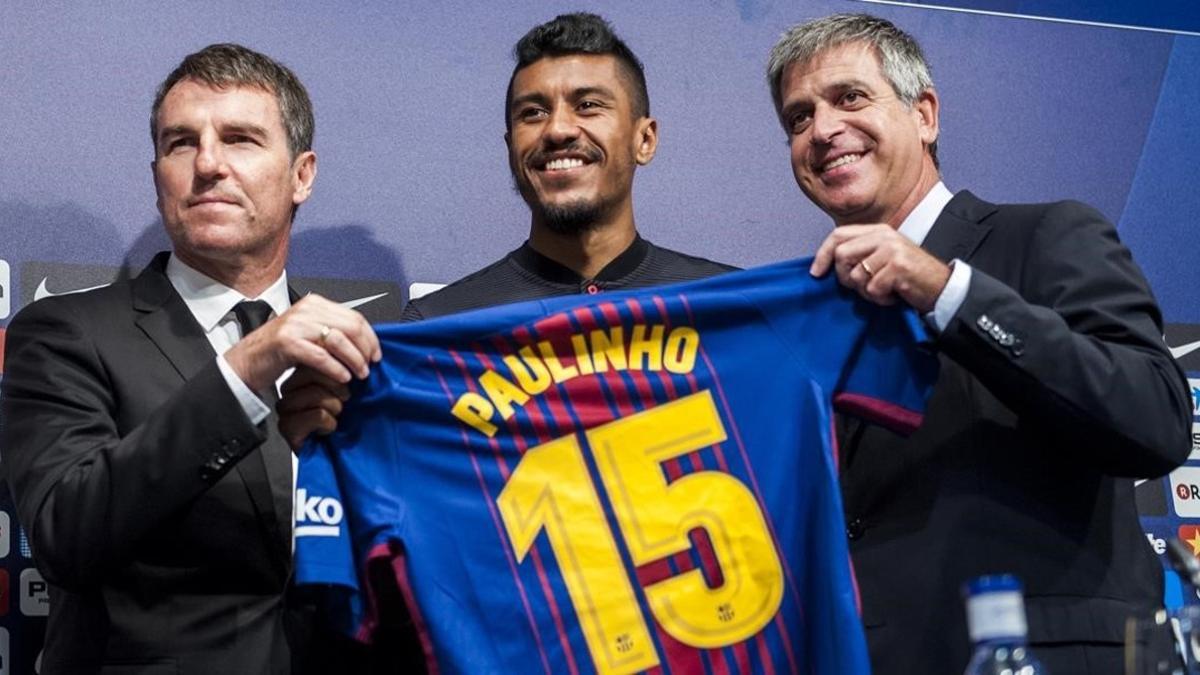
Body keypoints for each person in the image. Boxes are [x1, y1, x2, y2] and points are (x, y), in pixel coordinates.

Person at [766, 13, 1192, 674]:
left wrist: (942, 289)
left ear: (925, 114)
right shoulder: (806, 316)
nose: (822, 130)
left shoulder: (1047, 235)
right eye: (798, 117)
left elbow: (1156, 418)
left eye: (850, 97)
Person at [0, 43, 379, 674]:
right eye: (181, 143)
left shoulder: (357, 351)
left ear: (302, 175)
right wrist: (246, 370)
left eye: (240, 139)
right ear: (158, 179)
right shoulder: (63, 334)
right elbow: (67, 534)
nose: (207, 164)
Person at [280, 12, 734, 446]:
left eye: (589, 105)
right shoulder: (438, 327)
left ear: (645, 139)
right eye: (532, 113)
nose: (557, 130)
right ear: (510, 146)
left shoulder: (733, 310)